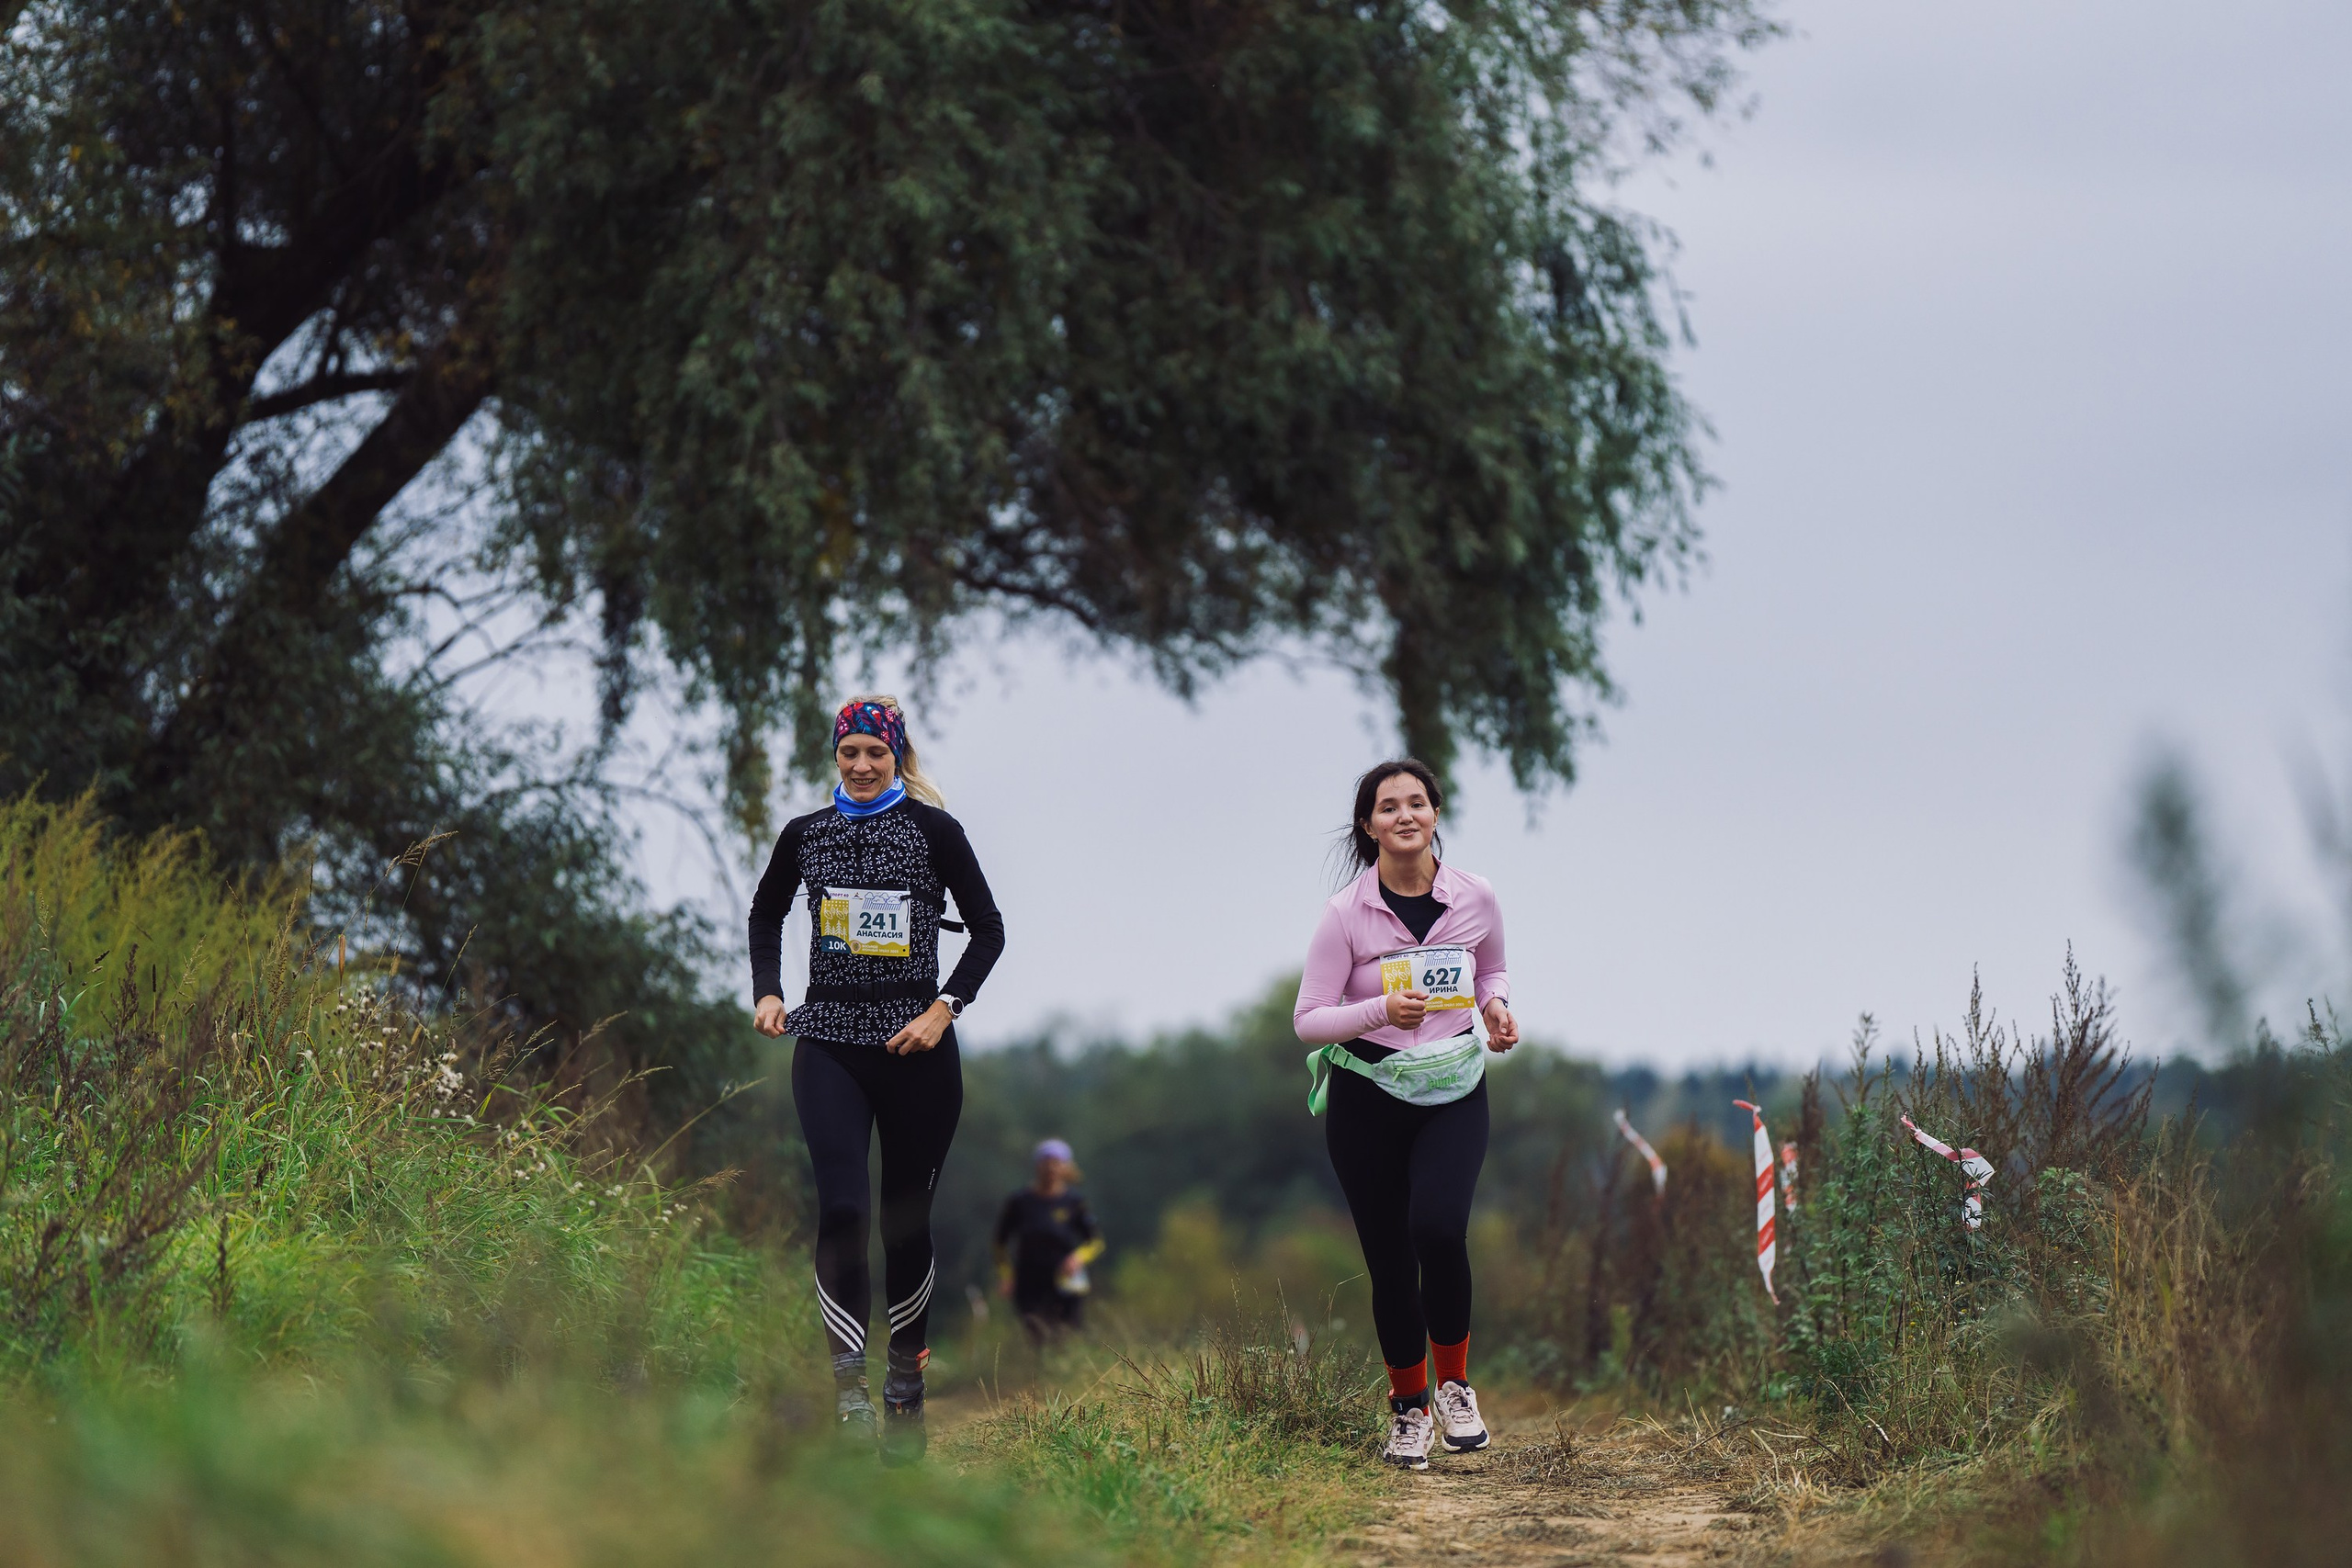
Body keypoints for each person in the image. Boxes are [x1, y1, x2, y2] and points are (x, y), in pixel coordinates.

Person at [749, 695, 1005, 1463]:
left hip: (915, 1050)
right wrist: (768, 990)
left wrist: (944, 1008)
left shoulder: (935, 832)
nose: (861, 766)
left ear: (898, 757)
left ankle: (905, 1383)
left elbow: (989, 928)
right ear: (836, 756)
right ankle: (849, 1390)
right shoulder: (806, 835)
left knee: (904, 1220)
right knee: (843, 1210)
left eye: (875, 753)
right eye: (849, 752)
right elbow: (766, 912)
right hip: (827, 1040)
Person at [1293, 759, 1519, 1471]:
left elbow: (1492, 967)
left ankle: (1454, 1387)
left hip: (1453, 1087)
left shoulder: (1475, 896)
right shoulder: (1345, 913)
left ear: (1436, 813)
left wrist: (1496, 1008)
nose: (1404, 815)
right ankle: (1409, 1411)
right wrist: (1379, 1011)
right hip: (1368, 1096)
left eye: (1416, 802)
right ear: (1369, 826)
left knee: (1440, 1227)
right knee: (1390, 1260)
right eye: (1388, 807)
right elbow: (1308, 1020)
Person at [992, 1138, 1104, 1345]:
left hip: (1065, 1278)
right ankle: (1042, 1375)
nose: (1051, 1168)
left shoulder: (1074, 1202)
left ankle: (1071, 1373)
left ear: (1066, 1167)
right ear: (1037, 1165)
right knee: (1038, 1334)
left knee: (1069, 1334)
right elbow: (1000, 1243)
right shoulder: (1020, 1201)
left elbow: (1095, 1241)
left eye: (1057, 1162)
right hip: (1029, 1280)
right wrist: (1007, 1276)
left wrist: (1077, 1259)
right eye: (1046, 1162)